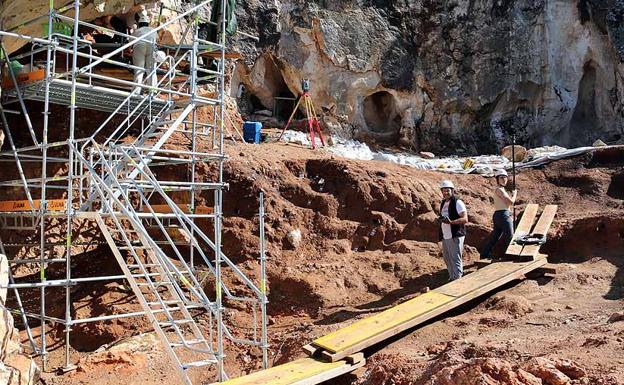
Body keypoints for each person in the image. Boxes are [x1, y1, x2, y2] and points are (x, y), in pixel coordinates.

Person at [480, 169, 517, 259]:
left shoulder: (502, 189)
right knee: (510, 237)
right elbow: (510, 202)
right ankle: (512, 257)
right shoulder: (500, 190)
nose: (504, 179)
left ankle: (484, 255)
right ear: (497, 179)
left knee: (495, 237)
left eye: (505, 177)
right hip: (503, 215)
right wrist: (515, 194)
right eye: (501, 178)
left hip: (499, 215)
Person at [438, 180, 468, 281]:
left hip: (455, 234)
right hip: (446, 235)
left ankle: (458, 279)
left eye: (447, 190)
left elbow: (465, 219)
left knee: (455, 258)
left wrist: (451, 222)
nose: (445, 192)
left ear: (452, 190)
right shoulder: (443, 202)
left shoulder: (458, 202)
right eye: (444, 190)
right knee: (447, 258)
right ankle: (452, 278)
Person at [132, 13, 157, 93]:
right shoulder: (153, 30)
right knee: (151, 70)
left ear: (139, 24)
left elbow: (130, 42)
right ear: (148, 24)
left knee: (139, 70)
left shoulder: (137, 31)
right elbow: (158, 40)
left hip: (139, 46)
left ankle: (136, 92)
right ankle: (153, 91)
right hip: (152, 47)